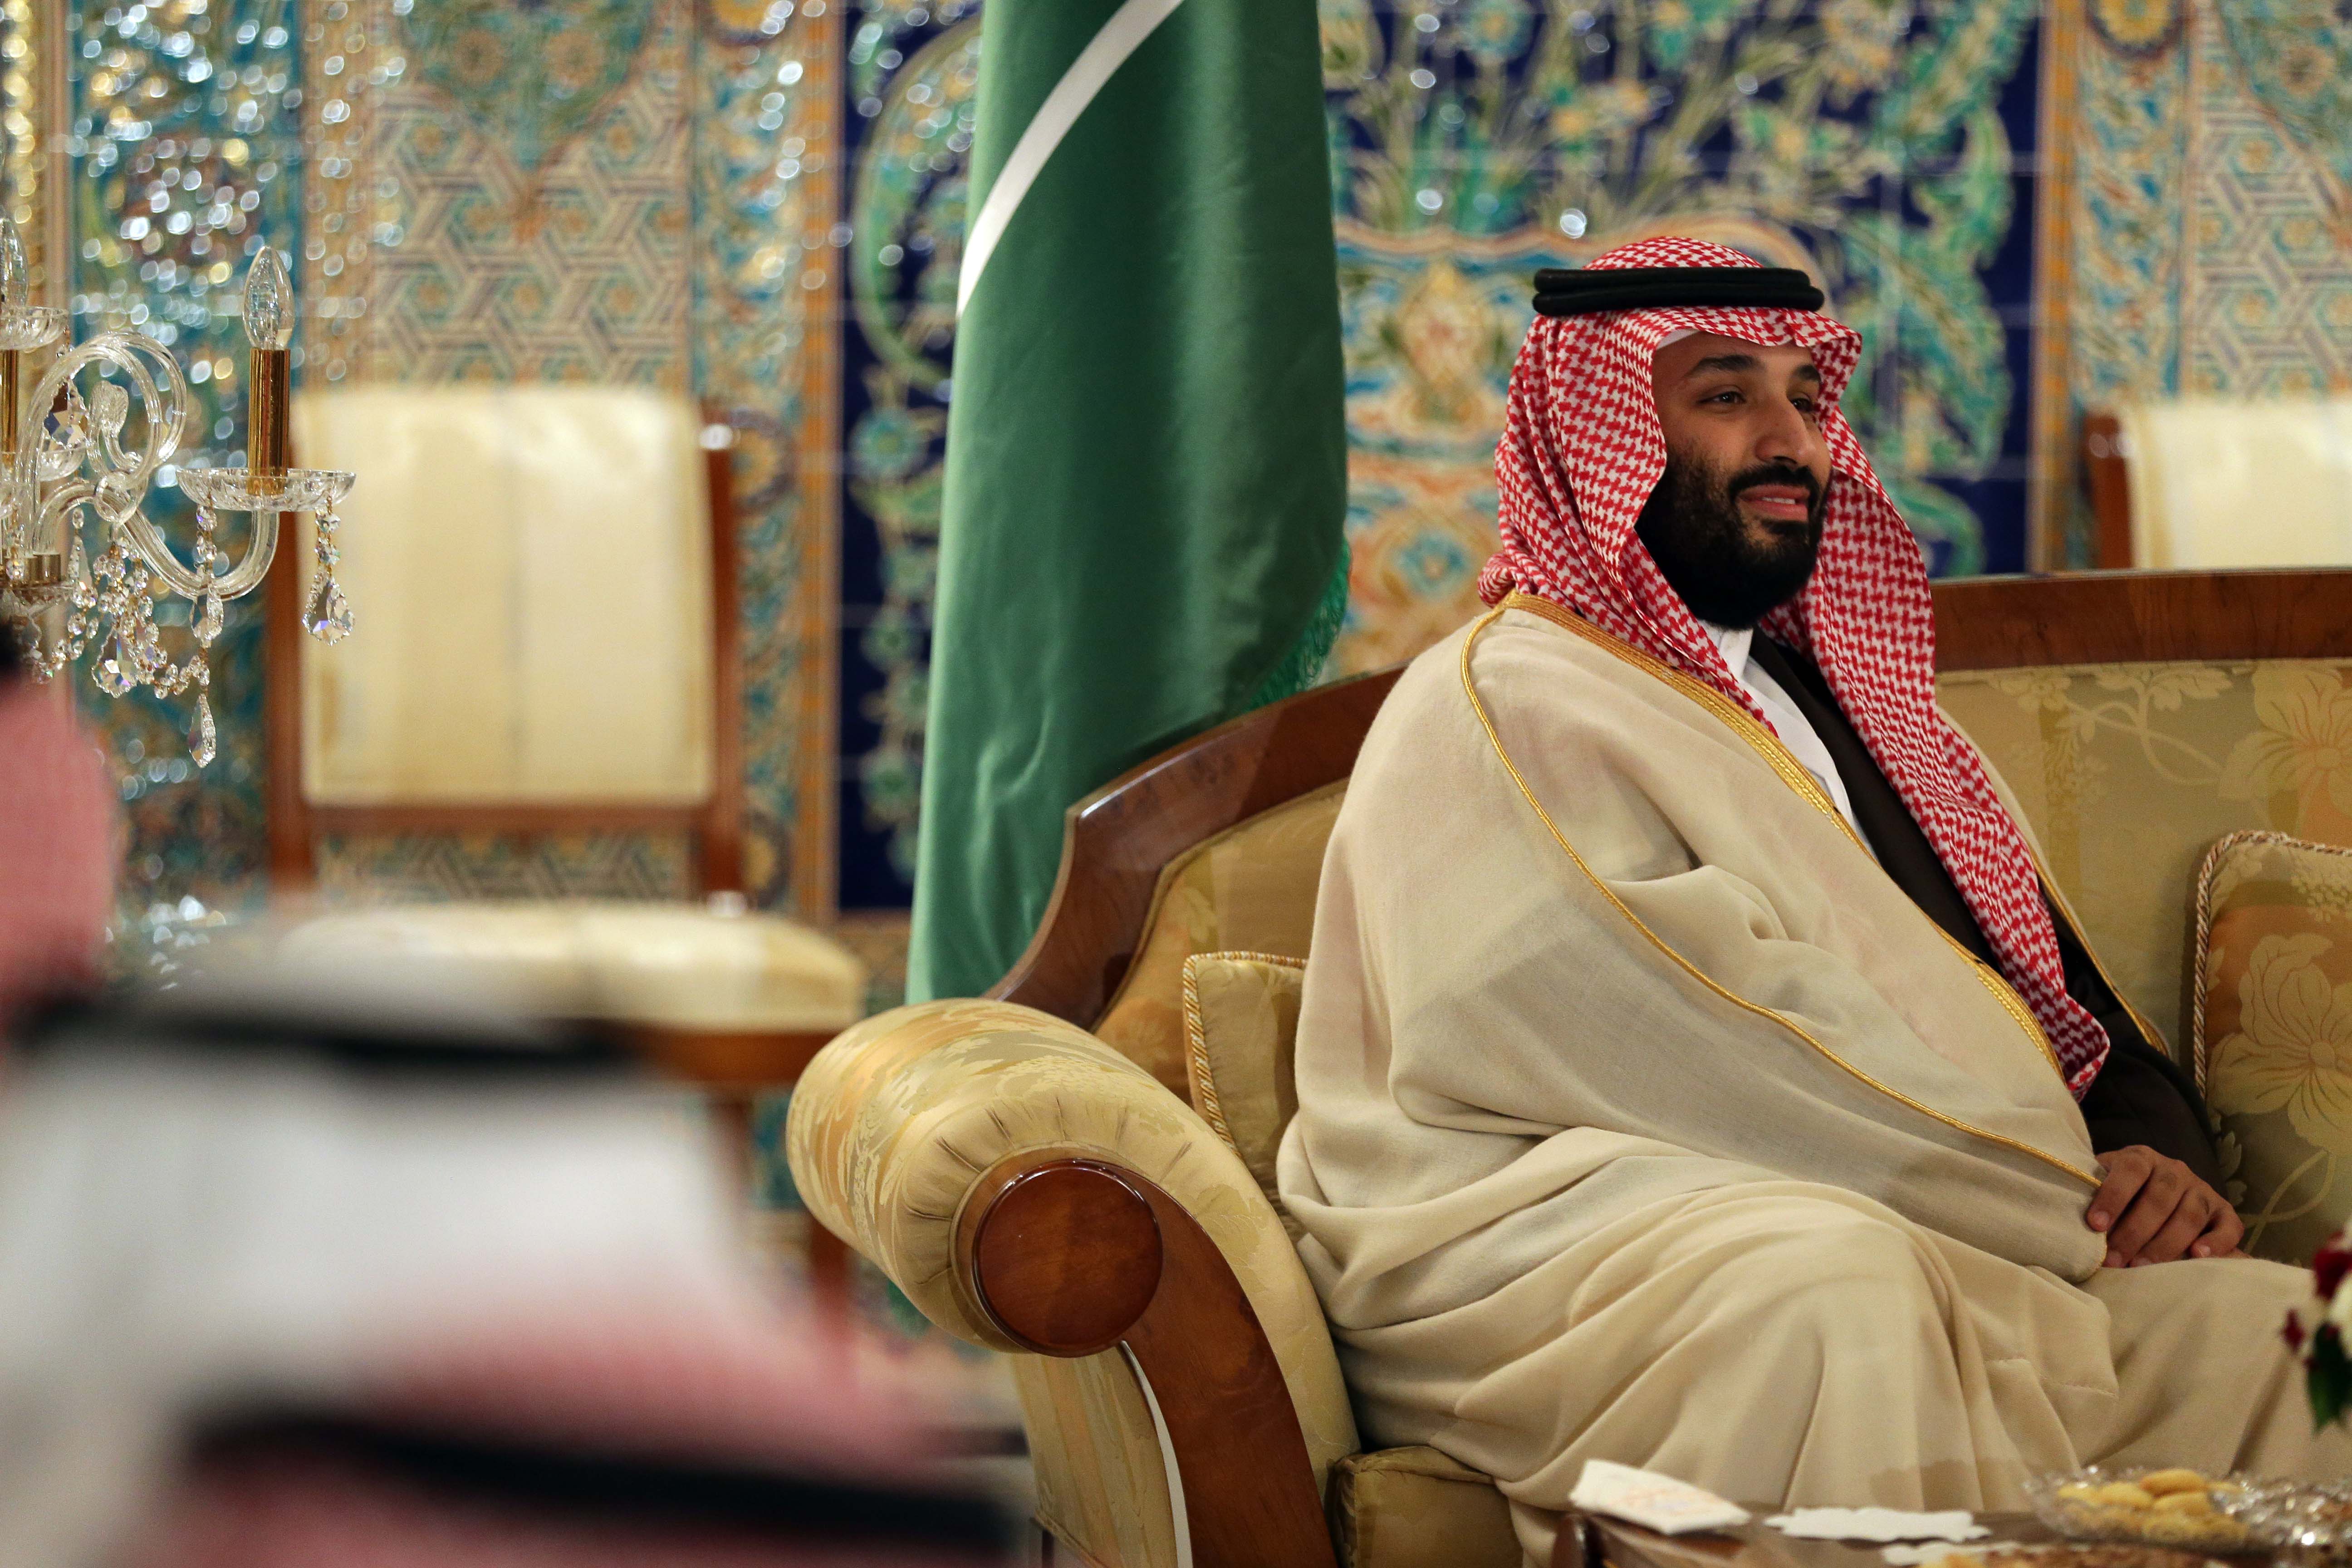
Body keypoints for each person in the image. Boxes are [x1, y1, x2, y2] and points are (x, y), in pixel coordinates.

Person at [1274, 236, 2346, 1561]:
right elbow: (1677, 1028)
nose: (1791, 439)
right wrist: (2058, 1186)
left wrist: (2151, 1170)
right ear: (1596, 441)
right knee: (1835, 1294)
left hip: (1952, 1222)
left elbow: (2030, 982)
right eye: (1726, 396)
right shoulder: (1508, 698)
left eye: (1809, 398)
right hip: (1547, 1249)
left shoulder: (1843, 706)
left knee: (2300, 1350)